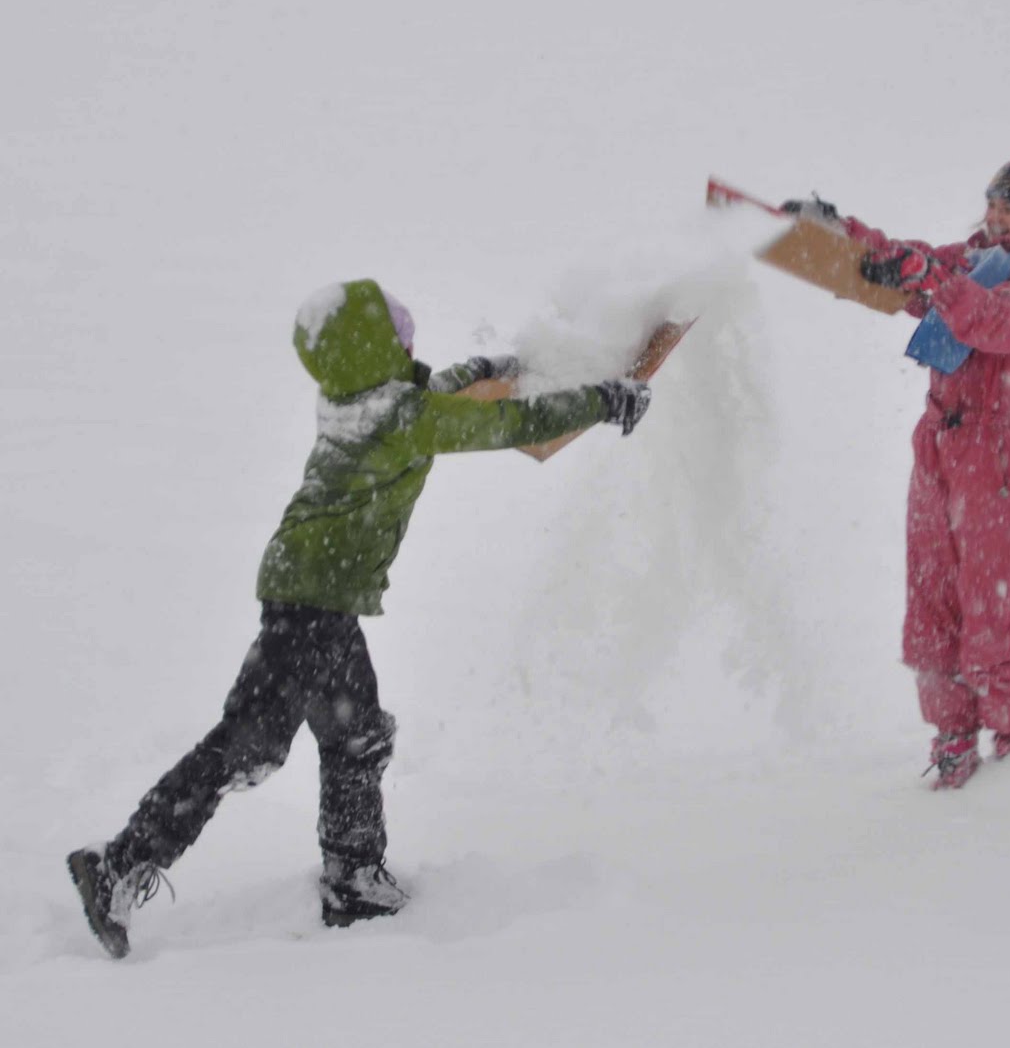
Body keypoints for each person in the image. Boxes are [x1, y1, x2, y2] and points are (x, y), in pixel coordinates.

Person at [66, 278, 652, 958]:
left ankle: (353, 877)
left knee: (356, 736)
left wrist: (485, 370)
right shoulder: (397, 416)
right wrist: (601, 400)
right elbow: (500, 424)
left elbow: (433, 395)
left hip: (318, 599)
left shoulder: (355, 402)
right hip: (312, 603)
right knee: (248, 744)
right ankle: (115, 866)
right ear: (376, 350)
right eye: (401, 339)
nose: (410, 347)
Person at [784, 158, 1010, 789]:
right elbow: (915, 265)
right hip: (938, 445)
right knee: (930, 600)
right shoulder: (976, 259)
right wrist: (843, 237)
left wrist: (931, 278)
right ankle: (952, 739)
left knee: (984, 609)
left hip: (995, 460)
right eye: (993, 203)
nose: (995, 217)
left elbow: (985, 319)